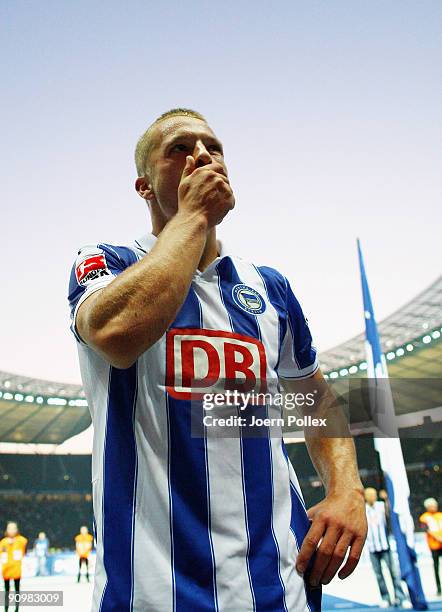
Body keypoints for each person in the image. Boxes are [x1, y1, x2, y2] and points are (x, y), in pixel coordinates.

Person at [68, 108, 367, 611]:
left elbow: (315, 397)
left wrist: (347, 489)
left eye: (214, 147)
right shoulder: (106, 262)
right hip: (149, 592)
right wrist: (190, 220)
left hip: (279, 587)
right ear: (144, 187)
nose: (203, 155)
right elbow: (116, 336)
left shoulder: (268, 287)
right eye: (180, 149)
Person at [364, 487, 411, 608]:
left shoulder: (380, 506)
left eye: (374, 494)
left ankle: (400, 597)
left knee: (394, 573)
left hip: (385, 546)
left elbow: (392, 509)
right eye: (369, 495)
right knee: (379, 575)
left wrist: (386, 498)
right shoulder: (363, 509)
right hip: (372, 547)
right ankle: (385, 597)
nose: (372, 497)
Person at [0, 522, 27, 612]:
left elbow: (23, 544)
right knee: (6, 590)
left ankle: (16, 608)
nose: (11, 530)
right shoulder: (3, 542)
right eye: (9, 528)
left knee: (17, 590)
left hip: (16, 570)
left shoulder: (20, 540)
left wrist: (14, 540)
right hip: (6, 570)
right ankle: (6, 608)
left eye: (14, 528)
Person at [419, 497, 442, 596]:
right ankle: (439, 588)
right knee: (436, 567)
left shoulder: (440, 515)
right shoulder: (424, 517)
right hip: (434, 545)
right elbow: (425, 529)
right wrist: (437, 537)